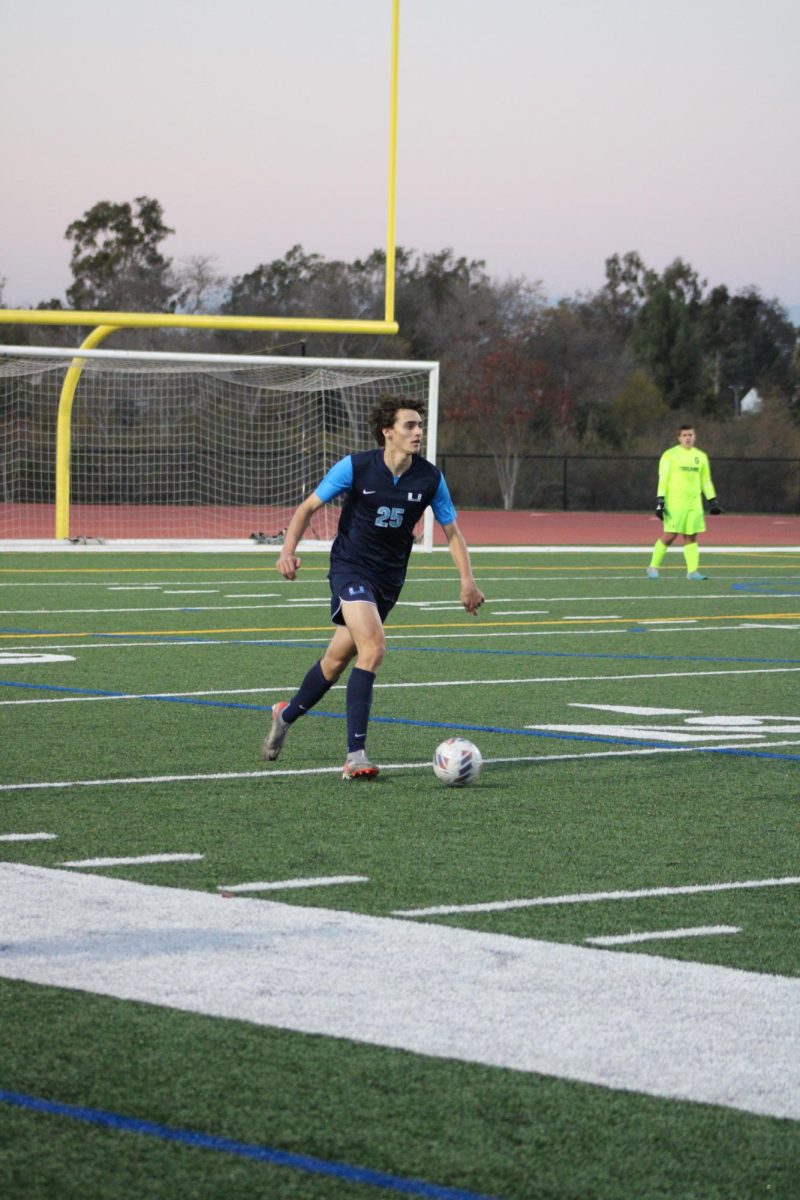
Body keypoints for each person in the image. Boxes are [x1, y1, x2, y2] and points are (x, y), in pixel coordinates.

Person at [262, 398, 485, 780]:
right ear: (388, 431)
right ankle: (355, 756)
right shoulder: (355, 467)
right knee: (374, 647)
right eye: (410, 426)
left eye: (419, 426)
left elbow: (452, 533)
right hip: (350, 568)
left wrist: (467, 580)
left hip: (389, 580)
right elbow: (307, 508)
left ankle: (285, 715)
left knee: (335, 662)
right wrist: (287, 551)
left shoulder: (430, 478)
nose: (418, 432)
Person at [647, 424, 723, 580]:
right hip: (675, 502)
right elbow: (664, 479)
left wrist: (712, 501)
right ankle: (653, 567)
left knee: (691, 536)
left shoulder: (701, 456)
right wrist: (660, 501)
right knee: (670, 535)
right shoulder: (670, 455)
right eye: (684, 435)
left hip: (694, 503)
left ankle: (692, 571)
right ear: (679, 438)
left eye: (690, 435)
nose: (688, 438)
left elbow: (705, 481)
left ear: (695, 437)